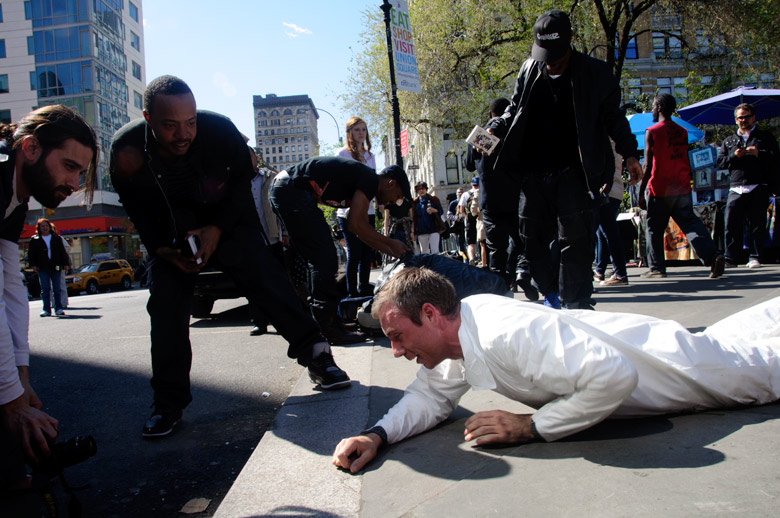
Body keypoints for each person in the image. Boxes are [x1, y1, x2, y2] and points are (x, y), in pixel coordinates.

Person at [331, 267, 780, 473]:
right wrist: (376, 435)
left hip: (693, 370)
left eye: (397, 336)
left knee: (761, 363)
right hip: (661, 346)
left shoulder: (505, 332)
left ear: (429, 314)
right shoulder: (458, 336)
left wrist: (533, 426)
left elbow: (614, 376)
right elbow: (429, 397)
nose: (395, 351)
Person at [109, 76, 351, 439]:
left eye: (189, 123)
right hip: (172, 233)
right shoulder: (126, 149)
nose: (182, 134)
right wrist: (161, 248)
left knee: (266, 276)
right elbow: (136, 207)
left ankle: (317, 354)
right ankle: (168, 404)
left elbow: (242, 186)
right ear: (148, 118)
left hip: (226, 219)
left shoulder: (220, 131)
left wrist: (217, 229)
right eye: (169, 125)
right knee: (165, 305)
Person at [486, 9, 642, 310]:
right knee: (530, 240)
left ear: (570, 42)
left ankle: (577, 304)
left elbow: (614, 119)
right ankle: (552, 293)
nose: (551, 63)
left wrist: (630, 154)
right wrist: (495, 127)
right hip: (534, 171)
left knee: (575, 241)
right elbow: (515, 108)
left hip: (575, 171)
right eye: (545, 56)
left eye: (556, 57)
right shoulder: (530, 68)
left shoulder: (595, 74)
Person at [0, 105, 97, 489]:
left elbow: (10, 287)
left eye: (81, 173)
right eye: (70, 166)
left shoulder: (15, 193)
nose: (74, 183)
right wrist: (12, 405)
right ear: (31, 148)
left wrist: (20, 379)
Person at [270, 158, 412, 343]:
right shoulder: (370, 180)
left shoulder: (366, 184)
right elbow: (355, 223)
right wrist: (391, 244)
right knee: (324, 257)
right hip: (290, 189)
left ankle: (330, 322)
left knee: (321, 257)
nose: (394, 201)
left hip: (286, 189)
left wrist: (390, 249)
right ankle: (328, 328)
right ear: (391, 183)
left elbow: (359, 231)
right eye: (398, 196)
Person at [639, 94, 725, 279]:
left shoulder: (652, 131)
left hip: (660, 187)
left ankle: (657, 268)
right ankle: (713, 257)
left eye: (654, 106)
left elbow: (648, 165)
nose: (652, 110)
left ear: (660, 107)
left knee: (654, 228)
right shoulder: (682, 131)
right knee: (691, 224)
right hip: (681, 186)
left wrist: (640, 192)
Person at [466, 98, 536, 298]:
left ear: (490, 114)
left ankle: (501, 287)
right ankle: (521, 271)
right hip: (515, 197)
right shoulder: (513, 130)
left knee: (495, 246)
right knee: (521, 240)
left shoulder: (478, 134)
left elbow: (470, 164)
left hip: (490, 199)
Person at [716, 102, 780, 269]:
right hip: (736, 187)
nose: (743, 121)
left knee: (757, 223)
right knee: (730, 224)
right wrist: (734, 156)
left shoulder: (765, 137)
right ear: (735, 120)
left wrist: (759, 153)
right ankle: (730, 258)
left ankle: (755, 256)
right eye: (739, 118)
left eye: (746, 117)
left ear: (753, 117)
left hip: (757, 185)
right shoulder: (729, 141)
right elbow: (720, 163)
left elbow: (775, 158)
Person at [337, 117, 377, 297]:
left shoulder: (370, 156)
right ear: (349, 133)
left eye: (363, 129)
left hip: (368, 210)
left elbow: (374, 182)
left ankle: (364, 288)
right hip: (348, 211)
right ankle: (351, 291)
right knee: (354, 252)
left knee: (367, 250)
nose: (361, 133)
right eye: (357, 130)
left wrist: (379, 202)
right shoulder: (342, 154)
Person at [594, 143, 629, 286]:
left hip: (606, 190)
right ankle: (600, 270)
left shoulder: (603, 140)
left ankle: (619, 273)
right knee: (603, 232)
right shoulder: (615, 142)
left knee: (608, 232)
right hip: (614, 189)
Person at [28, 218, 70, 316]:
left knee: (57, 288)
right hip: (42, 267)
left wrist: (65, 264)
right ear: (39, 228)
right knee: (45, 289)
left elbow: (62, 252)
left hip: (56, 266)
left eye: (46, 226)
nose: (45, 228)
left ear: (49, 227)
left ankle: (59, 308)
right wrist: (33, 265)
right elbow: (31, 254)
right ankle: (46, 309)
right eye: (42, 226)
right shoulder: (34, 239)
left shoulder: (56, 238)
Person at [411, 182, 444, 254]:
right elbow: (412, 218)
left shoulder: (434, 200)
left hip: (434, 229)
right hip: (421, 231)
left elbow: (441, 212)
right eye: (419, 189)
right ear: (416, 191)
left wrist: (434, 210)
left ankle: (436, 265)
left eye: (423, 188)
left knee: (435, 251)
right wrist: (413, 232)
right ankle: (427, 265)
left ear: (426, 189)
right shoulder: (414, 203)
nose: (421, 191)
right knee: (424, 253)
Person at [458, 177, 481, 264]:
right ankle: (484, 260)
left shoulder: (465, 194)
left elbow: (461, 210)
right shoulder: (481, 192)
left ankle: (471, 259)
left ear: (472, 184)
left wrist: (466, 217)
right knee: (482, 242)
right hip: (481, 219)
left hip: (469, 221)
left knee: (471, 243)